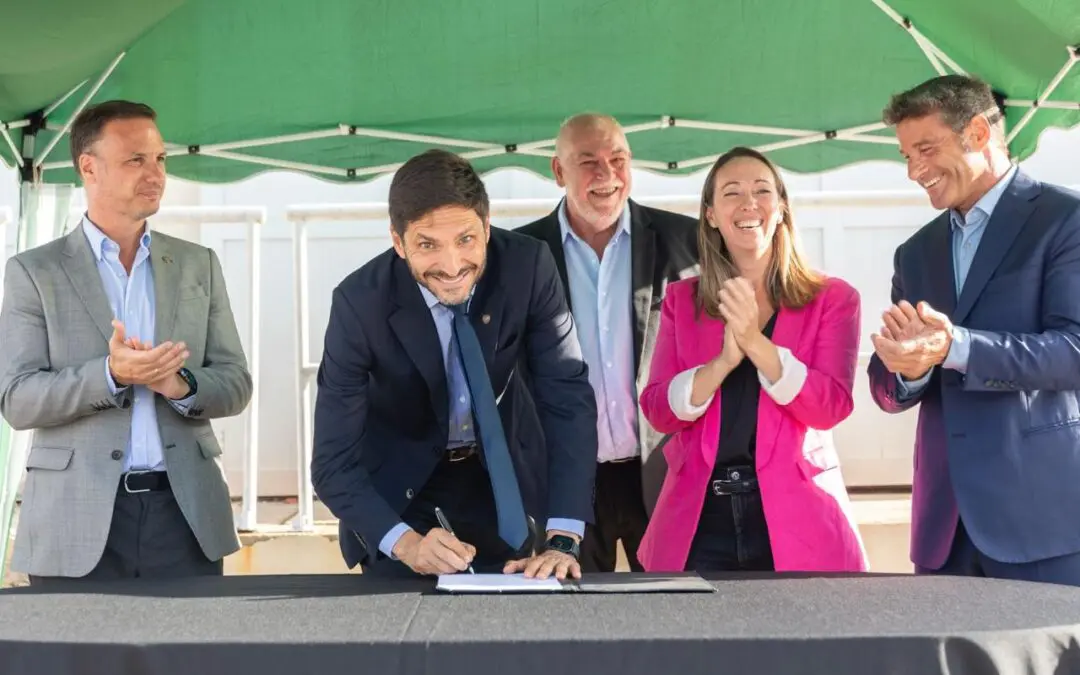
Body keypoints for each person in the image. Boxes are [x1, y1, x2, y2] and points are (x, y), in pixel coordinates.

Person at [311, 148, 598, 580]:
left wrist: (562, 536)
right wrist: (404, 544)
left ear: (486, 226)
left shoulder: (529, 267)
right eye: (427, 244)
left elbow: (567, 398)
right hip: (400, 498)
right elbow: (333, 462)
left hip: (502, 485)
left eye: (466, 239)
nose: (451, 266)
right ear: (397, 241)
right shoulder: (358, 304)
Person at [0, 101, 252, 584]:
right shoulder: (35, 272)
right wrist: (111, 375)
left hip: (186, 517)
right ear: (88, 168)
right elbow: (18, 399)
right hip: (73, 521)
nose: (154, 173)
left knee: (189, 662)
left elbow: (237, 383)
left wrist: (181, 385)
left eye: (160, 159)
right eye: (135, 159)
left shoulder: (199, 265)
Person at [868, 74, 1080, 586]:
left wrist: (953, 347)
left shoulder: (1064, 219)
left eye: (926, 149)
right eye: (906, 157)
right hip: (944, 528)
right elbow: (886, 383)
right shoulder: (915, 252)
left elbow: (1073, 351)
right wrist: (907, 370)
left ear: (980, 134)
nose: (916, 171)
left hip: (1043, 520)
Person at [635, 146, 867, 573]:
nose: (749, 204)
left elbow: (830, 406)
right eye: (731, 193)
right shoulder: (682, 301)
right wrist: (723, 361)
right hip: (699, 522)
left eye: (762, 191)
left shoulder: (833, 299)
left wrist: (755, 344)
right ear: (710, 214)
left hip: (798, 519)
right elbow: (658, 412)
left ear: (781, 208)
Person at [516, 113, 698, 573]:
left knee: (671, 618)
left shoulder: (688, 241)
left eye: (618, 159)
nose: (608, 175)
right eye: (588, 162)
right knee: (573, 627)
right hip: (565, 480)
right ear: (558, 172)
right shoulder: (519, 255)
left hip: (660, 470)